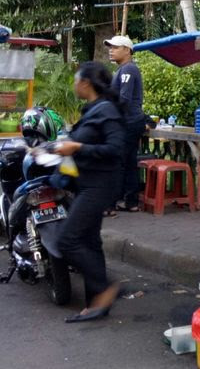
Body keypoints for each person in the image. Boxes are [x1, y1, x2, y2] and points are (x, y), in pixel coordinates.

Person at [52, 61, 126, 322]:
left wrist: (78, 148)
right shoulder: (94, 109)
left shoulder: (106, 110)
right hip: (87, 183)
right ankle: (97, 304)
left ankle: (106, 288)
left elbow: (116, 149)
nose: (74, 85)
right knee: (90, 242)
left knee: (67, 240)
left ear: (85, 83)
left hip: (100, 185)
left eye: (76, 80)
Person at [105, 35, 144, 214]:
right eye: (110, 47)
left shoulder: (128, 70)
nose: (111, 50)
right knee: (128, 163)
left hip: (127, 123)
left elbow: (125, 99)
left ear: (127, 50)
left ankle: (110, 205)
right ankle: (131, 202)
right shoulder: (124, 69)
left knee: (115, 163)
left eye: (115, 47)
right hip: (132, 122)